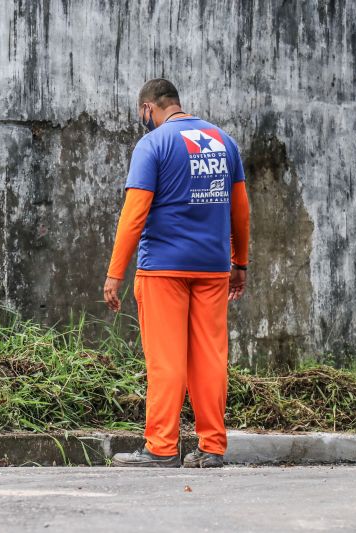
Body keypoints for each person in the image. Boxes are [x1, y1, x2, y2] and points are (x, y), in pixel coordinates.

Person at [105, 79, 250, 468]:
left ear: (149, 108)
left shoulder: (152, 145)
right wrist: (240, 263)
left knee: (166, 359)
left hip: (163, 270)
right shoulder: (224, 141)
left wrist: (115, 273)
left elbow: (134, 214)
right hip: (213, 268)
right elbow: (240, 210)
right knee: (210, 357)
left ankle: (161, 447)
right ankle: (212, 446)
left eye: (142, 115)